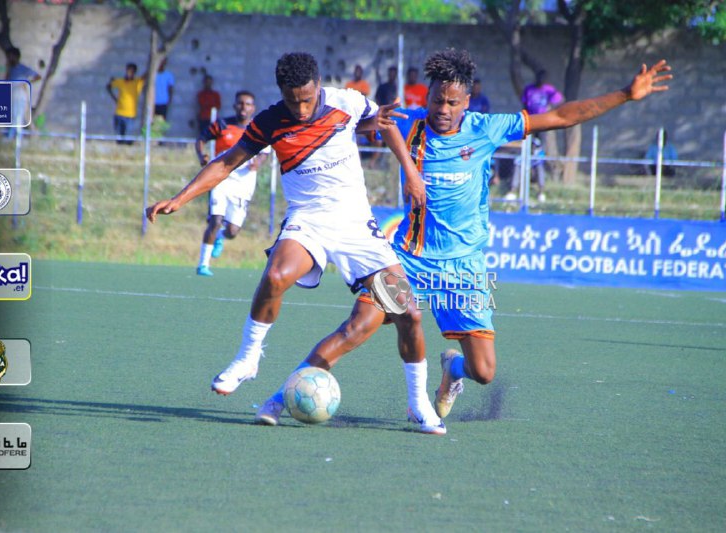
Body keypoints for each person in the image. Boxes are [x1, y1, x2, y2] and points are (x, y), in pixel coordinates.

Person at [256, 48, 672, 429]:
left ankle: (452, 370)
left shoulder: (488, 129)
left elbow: (561, 117)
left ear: (468, 101)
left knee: (484, 372)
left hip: (465, 269)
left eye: (453, 102)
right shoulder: (409, 125)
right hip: (410, 259)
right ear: (429, 95)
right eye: (437, 99)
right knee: (358, 326)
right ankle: (280, 396)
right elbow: (350, 128)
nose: (443, 109)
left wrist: (625, 94)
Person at [146, 52, 445, 435]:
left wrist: (410, 172)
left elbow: (381, 123)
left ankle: (418, 404)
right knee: (276, 275)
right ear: (281, 93)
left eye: (307, 99)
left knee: (409, 314)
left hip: (356, 225)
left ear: (318, 86)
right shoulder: (270, 121)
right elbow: (226, 162)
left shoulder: (345, 100)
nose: (301, 109)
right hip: (308, 220)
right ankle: (248, 357)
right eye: (293, 101)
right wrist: (180, 198)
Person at [193, 90, 269, 276]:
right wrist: (201, 155)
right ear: (235, 105)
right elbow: (201, 139)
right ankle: (203, 264)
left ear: (253, 108)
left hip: (243, 183)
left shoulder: (259, 129)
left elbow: (265, 152)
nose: (244, 107)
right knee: (215, 220)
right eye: (240, 103)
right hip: (221, 178)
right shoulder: (222, 124)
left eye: (248, 104)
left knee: (233, 231)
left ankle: (220, 237)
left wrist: (257, 163)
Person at [5, 47, 41, 138]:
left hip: (20, 98)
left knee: (17, 120)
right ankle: (10, 139)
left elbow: (38, 76)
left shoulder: (23, 68)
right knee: (10, 119)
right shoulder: (10, 69)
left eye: (10, 56)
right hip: (11, 97)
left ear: (16, 57)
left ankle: (15, 140)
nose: (9, 58)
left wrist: (26, 83)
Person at [106, 62, 145, 145]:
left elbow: (145, 77)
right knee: (119, 138)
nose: (129, 73)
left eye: (132, 72)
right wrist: (114, 98)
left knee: (128, 138)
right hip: (119, 113)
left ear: (134, 73)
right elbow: (108, 86)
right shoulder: (120, 81)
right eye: (128, 71)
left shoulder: (137, 82)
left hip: (130, 115)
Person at [504, 136, 546, 203]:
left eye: (534, 146)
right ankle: (513, 191)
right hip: (523, 172)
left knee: (540, 168)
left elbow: (540, 161)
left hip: (533, 173)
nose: (532, 148)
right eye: (531, 146)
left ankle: (541, 192)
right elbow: (517, 161)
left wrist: (533, 159)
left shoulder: (539, 151)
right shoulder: (523, 149)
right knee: (517, 167)